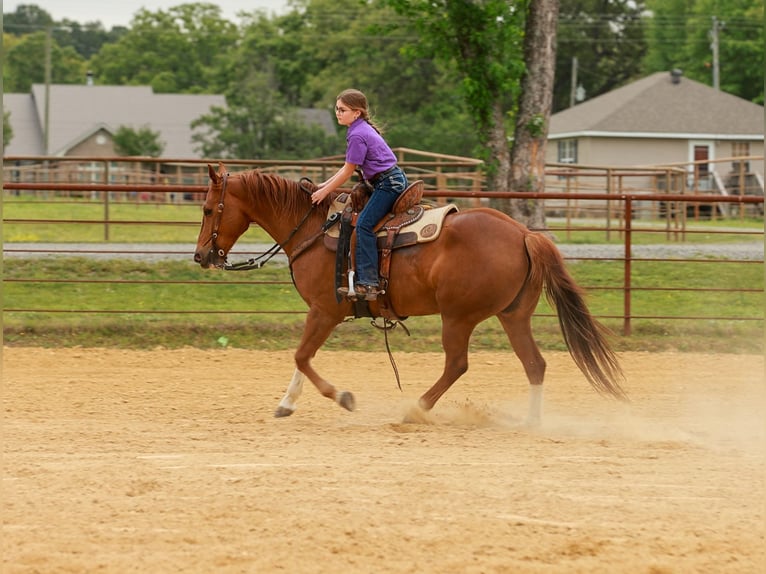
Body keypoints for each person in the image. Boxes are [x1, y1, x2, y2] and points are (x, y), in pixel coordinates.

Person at [310, 89, 408, 301]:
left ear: (357, 113)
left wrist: (324, 192)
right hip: (388, 180)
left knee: (363, 225)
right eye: (336, 109)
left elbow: (347, 172)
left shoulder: (357, 134)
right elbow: (347, 167)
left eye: (342, 110)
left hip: (387, 184)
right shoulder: (359, 129)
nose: (338, 113)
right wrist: (323, 185)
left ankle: (369, 282)